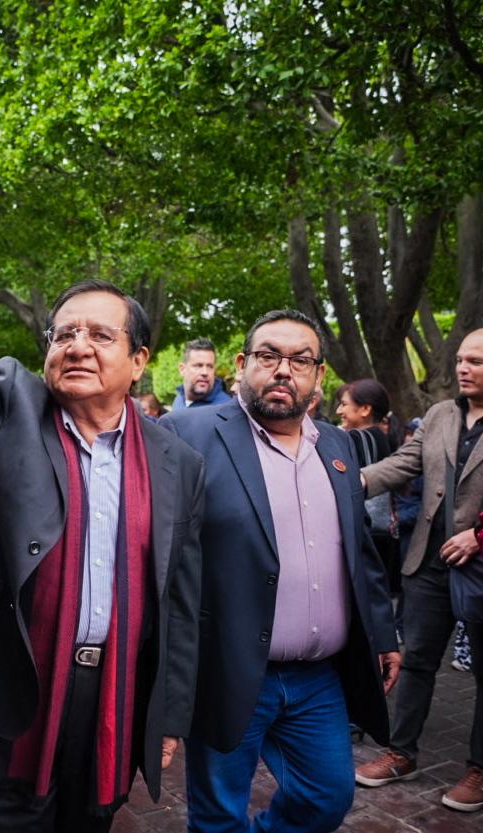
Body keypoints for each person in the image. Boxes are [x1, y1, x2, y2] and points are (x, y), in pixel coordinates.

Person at [0, 92, 204, 832]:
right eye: (62, 333)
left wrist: (168, 713)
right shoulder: (7, 409)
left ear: (140, 361)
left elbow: (179, 600)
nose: (75, 345)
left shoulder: (176, 461)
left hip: (113, 696)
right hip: (13, 694)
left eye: (99, 336)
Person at [162, 310, 400, 832]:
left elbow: (359, 549)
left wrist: (383, 632)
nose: (283, 370)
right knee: (218, 813)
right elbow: (160, 552)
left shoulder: (336, 444)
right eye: (268, 356)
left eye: (300, 360)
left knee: (327, 797)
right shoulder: (186, 433)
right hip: (227, 672)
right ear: (242, 364)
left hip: (318, 679)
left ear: (319, 375)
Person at [354, 328, 483, 813]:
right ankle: (401, 753)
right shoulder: (440, 414)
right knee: (417, 661)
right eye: (461, 359)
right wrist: (350, 481)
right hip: (429, 561)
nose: (463, 368)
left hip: (478, 563)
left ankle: (479, 768)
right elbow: (405, 462)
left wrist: (479, 536)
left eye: (476, 361)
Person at [337, 379, 401, 591]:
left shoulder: (355, 438)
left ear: (365, 409)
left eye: (344, 404)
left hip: (362, 530)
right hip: (383, 528)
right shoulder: (381, 436)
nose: (339, 411)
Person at [172, 337, 231, 410]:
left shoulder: (225, 408)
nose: (205, 372)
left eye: (210, 366)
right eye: (198, 366)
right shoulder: (178, 400)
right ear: (182, 369)